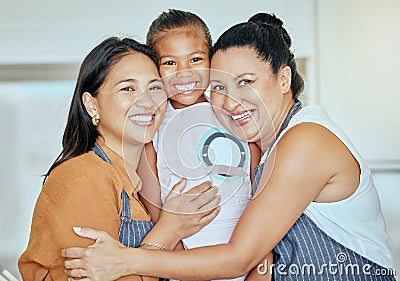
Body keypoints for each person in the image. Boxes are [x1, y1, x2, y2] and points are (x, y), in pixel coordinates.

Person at [62, 13, 396, 281]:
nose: (231, 99)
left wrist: (125, 260)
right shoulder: (264, 143)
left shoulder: (306, 140)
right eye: (219, 85)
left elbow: (241, 257)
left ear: (283, 80)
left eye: (246, 82)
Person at [18, 36, 220, 281]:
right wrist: (169, 229)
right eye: (128, 88)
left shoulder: (138, 183)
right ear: (91, 105)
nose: (147, 101)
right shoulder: (82, 177)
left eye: (155, 88)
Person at [137, 9, 262, 280]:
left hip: (246, 254)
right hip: (187, 263)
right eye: (170, 63)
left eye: (195, 59)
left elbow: (259, 193)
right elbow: (158, 215)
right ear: (154, 68)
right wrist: (184, 268)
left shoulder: (232, 111)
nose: (184, 73)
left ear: (211, 61)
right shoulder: (153, 129)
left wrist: (259, 264)